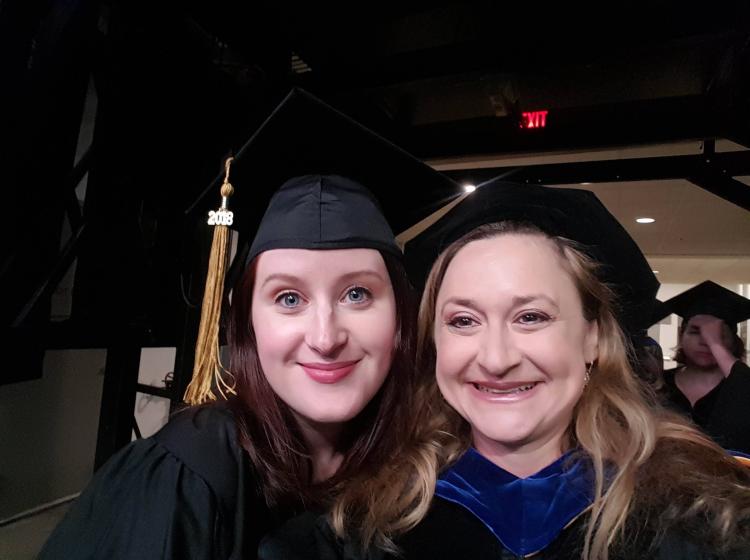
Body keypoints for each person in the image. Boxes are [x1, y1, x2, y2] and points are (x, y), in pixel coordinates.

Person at [38, 89, 458, 559]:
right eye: (289, 297)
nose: (325, 338)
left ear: (400, 310)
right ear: (246, 317)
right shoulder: (188, 476)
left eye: (356, 294)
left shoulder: (424, 466)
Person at [260, 180, 750, 559]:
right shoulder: (360, 528)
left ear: (593, 336)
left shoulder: (702, 522)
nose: (495, 359)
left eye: (530, 317)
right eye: (463, 320)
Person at [659, 281, 750, 454]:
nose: (705, 341)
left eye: (717, 335)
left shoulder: (741, 389)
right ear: (681, 335)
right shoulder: (656, 384)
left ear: (733, 342)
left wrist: (716, 345)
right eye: (695, 331)